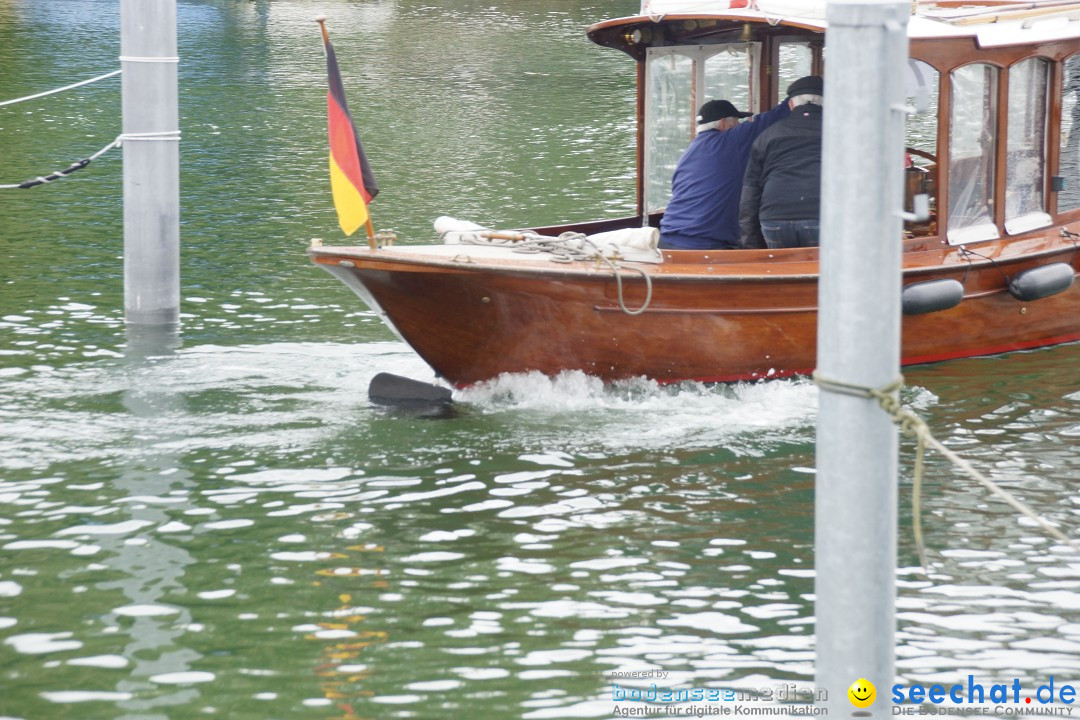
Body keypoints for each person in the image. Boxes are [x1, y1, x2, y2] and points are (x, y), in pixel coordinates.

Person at [659, 97, 791, 250]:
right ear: (723, 123)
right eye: (736, 122)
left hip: (667, 241)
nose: (739, 126)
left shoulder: (689, 152)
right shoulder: (730, 141)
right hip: (704, 245)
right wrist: (801, 92)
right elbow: (771, 119)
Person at [739, 75, 824, 250]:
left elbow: (750, 191)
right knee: (822, 273)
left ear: (791, 104)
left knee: (783, 267)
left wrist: (750, 245)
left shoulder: (767, 136)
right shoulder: (840, 133)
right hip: (820, 216)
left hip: (774, 220)